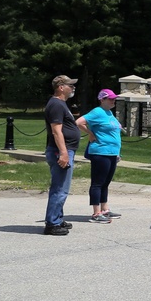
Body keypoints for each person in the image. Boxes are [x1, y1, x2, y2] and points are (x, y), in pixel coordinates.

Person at [77, 89, 123, 223]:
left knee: (106, 182)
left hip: (112, 153)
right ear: (102, 100)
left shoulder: (109, 113)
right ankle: (96, 213)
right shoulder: (97, 112)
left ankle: (105, 209)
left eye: (114, 99)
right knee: (97, 183)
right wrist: (90, 133)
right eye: (110, 99)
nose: (113, 101)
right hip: (100, 152)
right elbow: (79, 122)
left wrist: (117, 153)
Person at [43, 75, 80, 236]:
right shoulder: (56, 104)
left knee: (61, 187)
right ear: (61, 87)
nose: (73, 88)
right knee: (60, 188)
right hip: (61, 151)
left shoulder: (61, 104)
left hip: (65, 150)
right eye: (70, 85)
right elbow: (56, 131)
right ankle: (52, 223)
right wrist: (63, 153)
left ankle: (57, 217)